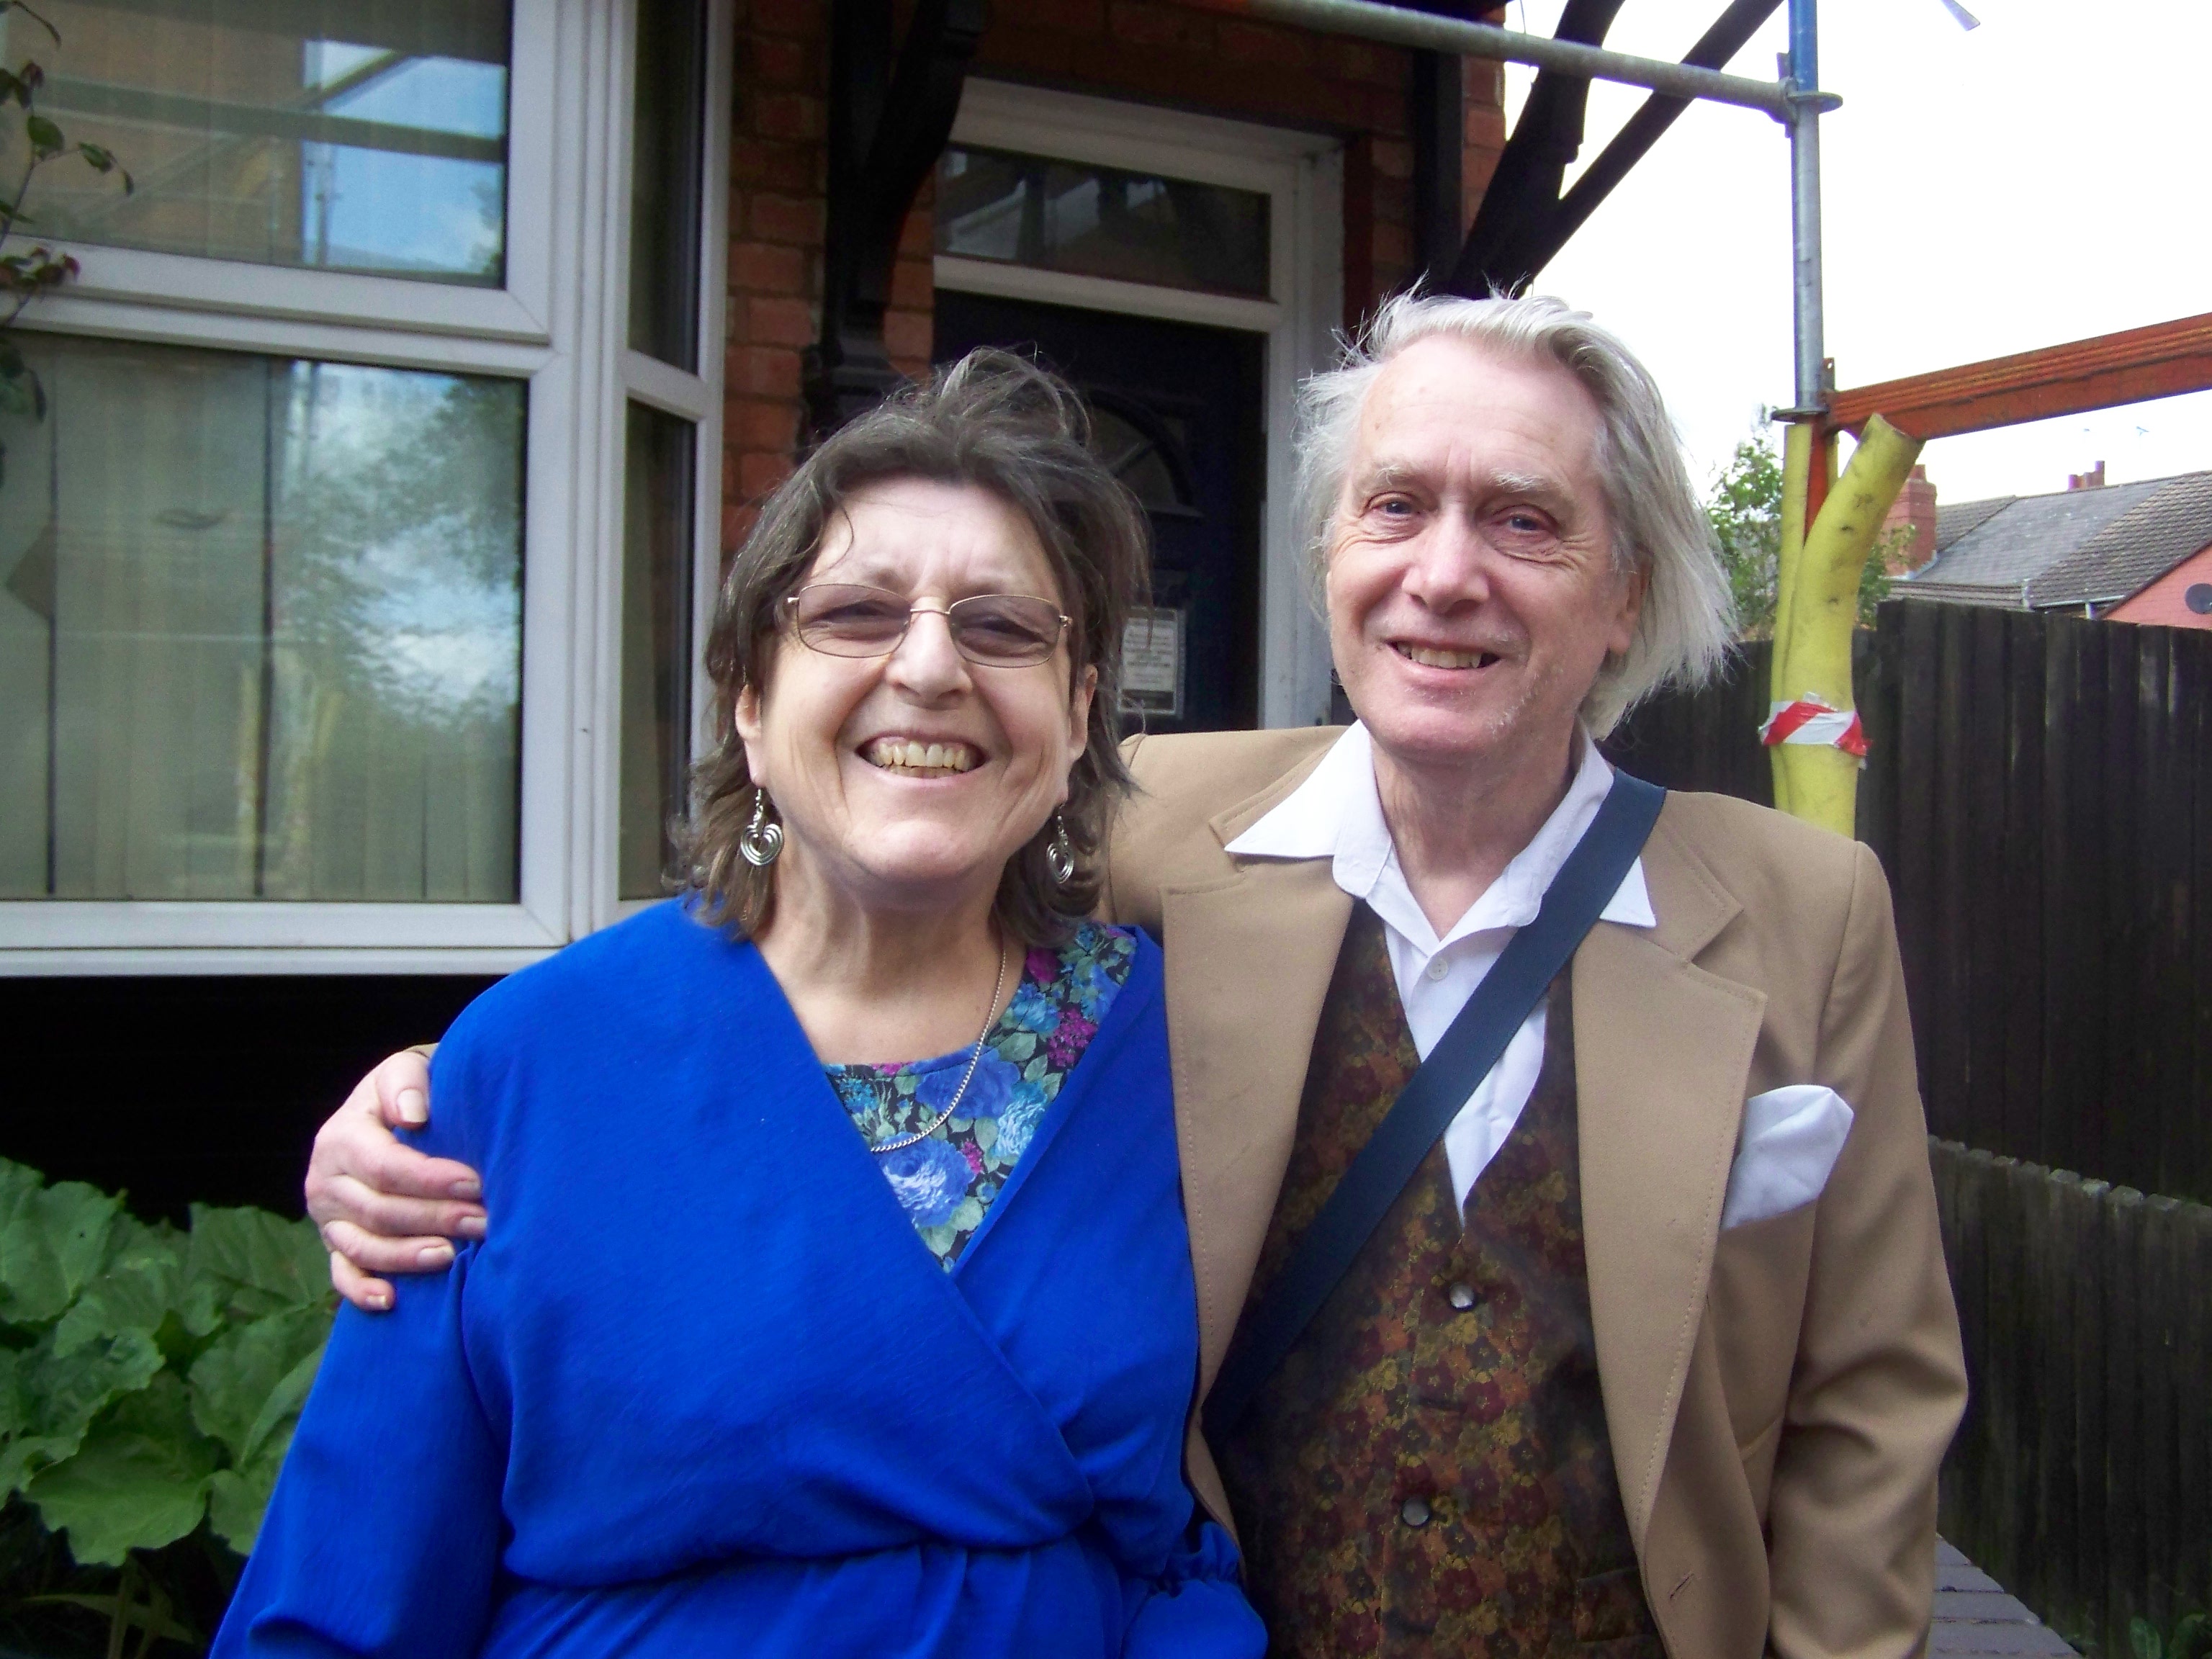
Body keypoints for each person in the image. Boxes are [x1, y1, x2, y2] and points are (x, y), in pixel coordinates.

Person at [309, 295, 1968, 1659]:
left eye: (1525, 520)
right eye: (1396, 506)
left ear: (1624, 595)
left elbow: (1872, 1398)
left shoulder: (1802, 914)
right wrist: (425, 1103)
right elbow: (841, 882)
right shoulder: (1153, 836)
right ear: (1331, 553)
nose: (1445, 571)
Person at [217, 354, 1265, 1658]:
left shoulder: (1182, 1042)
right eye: (858, 614)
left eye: (1003, 627)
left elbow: (1181, 1534)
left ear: (1078, 713)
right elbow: (345, 1593)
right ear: (753, 706)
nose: (931, 665)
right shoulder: (532, 1064)